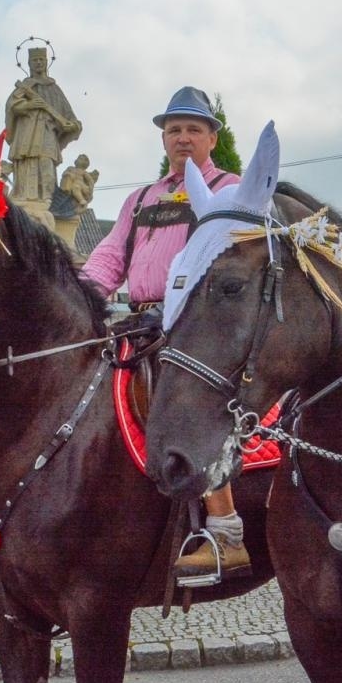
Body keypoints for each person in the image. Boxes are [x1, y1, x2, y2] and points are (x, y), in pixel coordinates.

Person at [81, 86, 246, 582]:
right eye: (174, 130)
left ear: (212, 138)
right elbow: (110, 256)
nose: (183, 138)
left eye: (194, 129)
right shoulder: (141, 199)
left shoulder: (229, 189)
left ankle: (225, 531)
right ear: (163, 140)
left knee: (186, 400)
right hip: (138, 322)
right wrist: (81, 299)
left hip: (198, 324)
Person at [4, 45, 82, 205]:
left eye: (41, 59)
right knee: (26, 161)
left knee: (46, 161)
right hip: (26, 132)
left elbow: (69, 115)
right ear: (29, 64)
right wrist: (29, 105)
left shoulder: (54, 89)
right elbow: (11, 107)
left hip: (48, 131)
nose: (38, 62)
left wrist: (73, 125)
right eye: (35, 60)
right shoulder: (25, 86)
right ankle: (23, 196)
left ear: (46, 62)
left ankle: (48, 197)